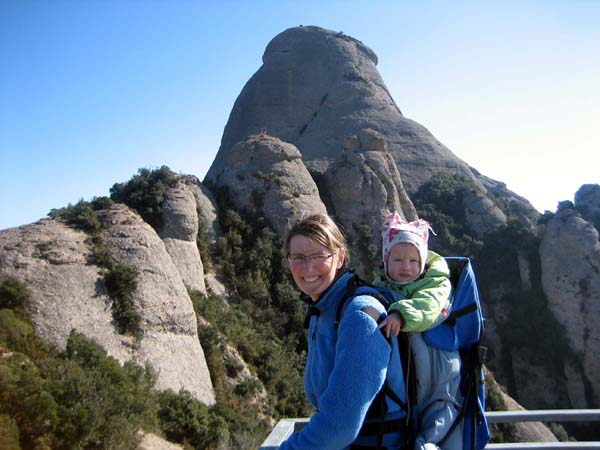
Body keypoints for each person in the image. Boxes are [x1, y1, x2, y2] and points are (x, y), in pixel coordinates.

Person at [279, 213, 407, 450]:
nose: (307, 268)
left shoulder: (358, 317)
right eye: (298, 257)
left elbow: (339, 427)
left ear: (340, 258)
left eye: (319, 256)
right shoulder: (323, 307)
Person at [373, 212, 462, 450]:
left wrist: (400, 313)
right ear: (386, 260)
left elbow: (430, 305)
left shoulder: (436, 281)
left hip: (439, 362)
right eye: (398, 260)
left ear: (422, 262)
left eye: (413, 261)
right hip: (413, 361)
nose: (406, 267)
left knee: (439, 410)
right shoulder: (382, 283)